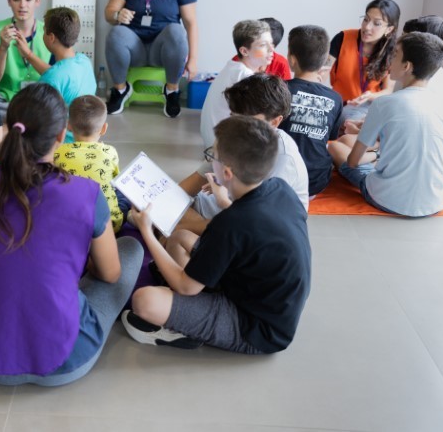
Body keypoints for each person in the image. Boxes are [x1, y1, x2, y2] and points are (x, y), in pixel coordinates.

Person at [0, 83, 143, 386]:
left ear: (8, 128)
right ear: (61, 135)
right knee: (131, 248)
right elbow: (110, 274)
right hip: (69, 360)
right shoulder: (86, 192)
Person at [121, 116, 311, 354]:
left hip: (257, 329)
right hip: (266, 298)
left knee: (144, 300)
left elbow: (186, 287)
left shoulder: (230, 223)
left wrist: (146, 230)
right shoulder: (281, 189)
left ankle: (186, 329)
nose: (210, 161)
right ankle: (193, 307)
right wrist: (224, 201)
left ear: (227, 173)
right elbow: (252, 227)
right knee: (180, 238)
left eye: (213, 156)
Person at [328, 32, 443, 216]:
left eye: (395, 55)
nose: (389, 61)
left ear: (407, 66)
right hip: (436, 202)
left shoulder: (383, 103)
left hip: (386, 198)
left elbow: (353, 162)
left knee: (335, 147)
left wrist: (378, 154)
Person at [179, 74, 309, 235]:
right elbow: (190, 184)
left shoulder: (282, 158)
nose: (236, 125)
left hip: (258, 227)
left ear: (274, 122)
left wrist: (189, 225)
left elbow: (257, 224)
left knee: (177, 231)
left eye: (246, 120)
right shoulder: (237, 136)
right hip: (232, 209)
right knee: (169, 208)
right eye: (233, 116)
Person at [104, 0, 198, 118]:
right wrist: (117, 15)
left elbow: (191, 23)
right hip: (134, 49)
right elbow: (109, 12)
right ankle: (120, 90)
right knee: (116, 32)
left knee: (176, 30)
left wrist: (193, 60)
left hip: (163, 52)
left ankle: (171, 91)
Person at [402, 15, 443, 177]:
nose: (397, 45)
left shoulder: (427, 86)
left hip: (442, 171)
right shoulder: (433, 75)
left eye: (405, 40)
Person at [279, 25, 343, 196]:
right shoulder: (335, 98)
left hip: (281, 179)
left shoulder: (277, 89)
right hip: (316, 182)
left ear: (292, 59)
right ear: (324, 61)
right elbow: (330, 138)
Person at [54, 95, 127, 233]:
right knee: (122, 195)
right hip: (109, 226)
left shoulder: (58, 152)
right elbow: (115, 180)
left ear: (69, 125)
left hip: (72, 224)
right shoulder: (109, 152)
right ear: (104, 128)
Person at [199, 20, 273, 149]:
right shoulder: (244, 75)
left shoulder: (234, 67)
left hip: (212, 139)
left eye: (271, 43)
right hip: (221, 145)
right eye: (263, 45)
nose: (271, 49)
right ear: (244, 51)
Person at [327, 0, 400, 125]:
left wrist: (369, 96)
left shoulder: (392, 52)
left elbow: (388, 90)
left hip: (368, 107)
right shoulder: (343, 38)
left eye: (377, 23)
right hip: (338, 105)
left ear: (389, 29)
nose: (367, 27)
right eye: (366, 19)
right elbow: (322, 70)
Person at [0, 0, 53, 106]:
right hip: (6, 97)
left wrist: (29, 55)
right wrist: (3, 48)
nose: (22, 5)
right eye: (16, 0)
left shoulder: (49, 32)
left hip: (41, 99)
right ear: (9, 1)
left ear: (37, 1)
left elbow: (56, 77)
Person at [40, 7, 96, 107]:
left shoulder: (51, 78)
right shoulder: (85, 61)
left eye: (44, 31)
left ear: (51, 37)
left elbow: (41, 113)